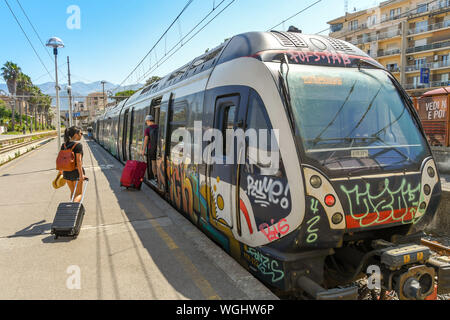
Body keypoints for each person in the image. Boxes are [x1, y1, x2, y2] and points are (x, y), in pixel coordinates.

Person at [59, 126, 86, 202]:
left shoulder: (64, 145)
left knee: (73, 192)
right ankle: (73, 211)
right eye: (81, 133)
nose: (81, 135)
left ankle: (71, 209)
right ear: (76, 134)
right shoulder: (78, 145)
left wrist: (61, 171)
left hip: (66, 172)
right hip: (76, 172)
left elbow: (61, 159)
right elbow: (78, 161)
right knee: (78, 194)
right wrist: (81, 175)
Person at [141, 115, 158, 180]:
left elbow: (146, 140)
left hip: (152, 148)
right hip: (159, 148)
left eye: (146, 122)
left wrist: (143, 150)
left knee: (153, 162)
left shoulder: (148, 129)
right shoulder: (158, 127)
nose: (146, 123)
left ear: (148, 121)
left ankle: (155, 177)